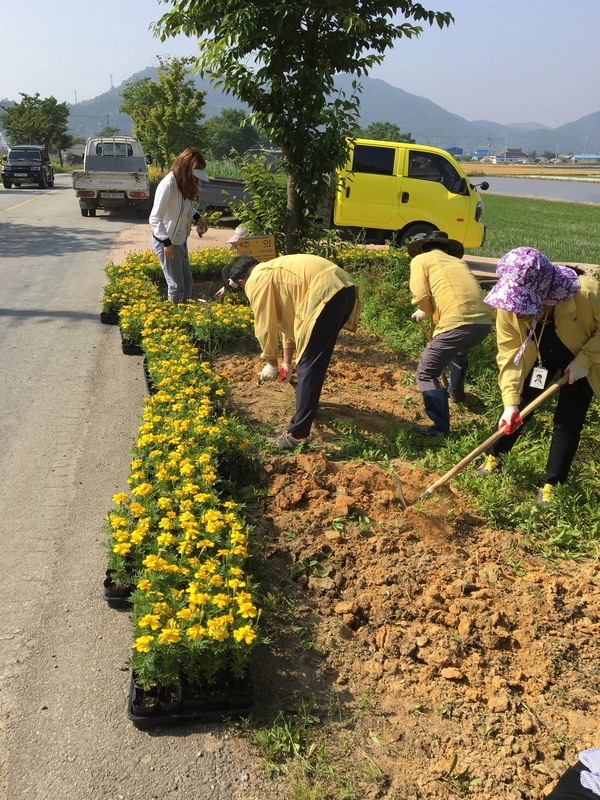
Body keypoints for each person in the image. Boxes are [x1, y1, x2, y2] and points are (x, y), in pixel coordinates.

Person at [475, 246, 600, 506]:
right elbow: (509, 353)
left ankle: (551, 483)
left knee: (568, 419)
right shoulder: (508, 304)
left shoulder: (588, 293)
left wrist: (584, 361)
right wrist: (509, 402)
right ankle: (495, 455)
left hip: (585, 358)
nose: (519, 311)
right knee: (520, 406)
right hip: (541, 357)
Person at [225, 253, 360, 450]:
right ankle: (307, 405)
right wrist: (286, 364)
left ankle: (296, 436)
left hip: (325, 293)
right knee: (313, 360)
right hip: (343, 289)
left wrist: (271, 363)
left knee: (309, 363)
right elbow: (290, 323)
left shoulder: (256, 279)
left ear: (241, 280)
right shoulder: (272, 271)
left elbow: (265, 325)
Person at [407, 230, 493, 436]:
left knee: (426, 372)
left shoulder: (421, 259)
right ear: (447, 249)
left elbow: (420, 292)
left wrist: (424, 310)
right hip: (483, 322)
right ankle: (456, 394)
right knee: (460, 351)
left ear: (422, 249)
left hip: (457, 323)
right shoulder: (459, 263)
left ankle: (440, 428)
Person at [149, 147, 209, 304]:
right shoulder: (168, 185)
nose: (195, 179)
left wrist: (198, 218)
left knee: (187, 282)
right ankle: (174, 319)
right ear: (187, 167)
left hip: (180, 240)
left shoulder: (183, 183)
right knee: (176, 286)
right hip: (168, 242)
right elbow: (155, 218)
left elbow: (185, 205)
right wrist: (166, 242)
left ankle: (184, 313)